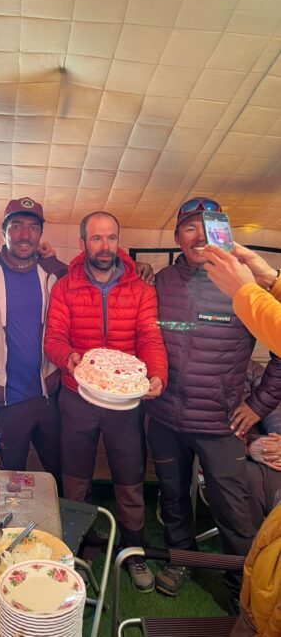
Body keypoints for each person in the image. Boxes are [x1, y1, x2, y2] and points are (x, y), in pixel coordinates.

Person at [146, 197, 281, 602]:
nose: (200, 235)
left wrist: (257, 406)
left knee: (234, 508)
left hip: (220, 423)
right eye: (190, 227)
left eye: (211, 226)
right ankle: (182, 558)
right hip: (166, 416)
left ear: (225, 234)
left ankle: (243, 584)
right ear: (177, 237)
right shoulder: (162, 282)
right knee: (172, 495)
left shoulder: (248, 285)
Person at [44, 211, 168, 592]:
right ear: (82, 244)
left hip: (126, 403)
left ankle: (134, 553)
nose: (104, 246)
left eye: (111, 238)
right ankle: (74, 552)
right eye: (96, 239)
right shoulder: (64, 287)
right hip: (77, 396)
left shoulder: (142, 289)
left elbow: (149, 336)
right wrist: (69, 358)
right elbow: (55, 337)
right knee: (75, 478)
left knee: (130, 478)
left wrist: (158, 373)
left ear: (118, 241)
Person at [0, 197, 66, 489]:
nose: (25, 235)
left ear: (40, 235)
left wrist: (135, 264)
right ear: (2, 232)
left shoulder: (54, 273)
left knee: (61, 471)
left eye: (33, 228)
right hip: (8, 401)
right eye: (16, 226)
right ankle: (13, 534)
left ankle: (71, 533)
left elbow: (96, 266)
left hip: (48, 394)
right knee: (10, 480)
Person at [204, 243, 281, 356]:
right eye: (190, 229)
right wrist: (271, 280)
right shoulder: (168, 278)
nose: (200, 236)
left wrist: (245, 290)